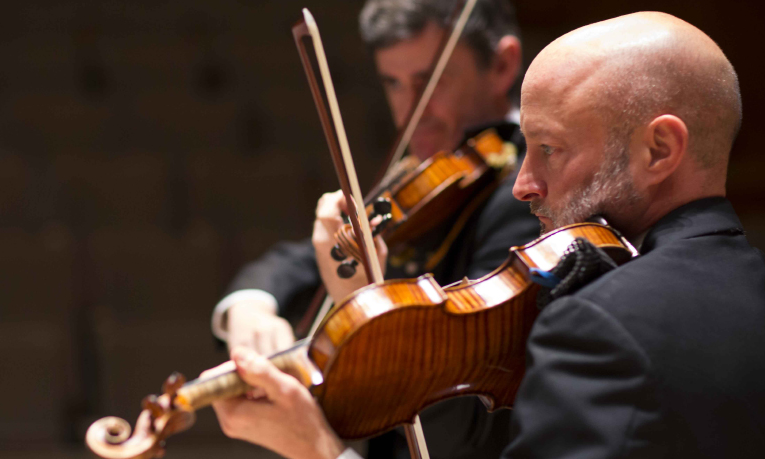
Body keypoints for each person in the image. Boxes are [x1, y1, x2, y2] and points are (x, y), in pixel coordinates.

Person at [202, 11, 765, 459]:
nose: (524, 185)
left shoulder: (599, 327)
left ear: (660, 150)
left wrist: (320, 452)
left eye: (549, 149)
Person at [210, 1, 537, 457]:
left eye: (430, 82)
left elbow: (466, 425)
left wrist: (369, 306)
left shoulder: (527, 194)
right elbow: (304, 258)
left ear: (502, 65)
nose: (410, 111)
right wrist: (251, 307)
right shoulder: (418, 176)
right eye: (394, 84)